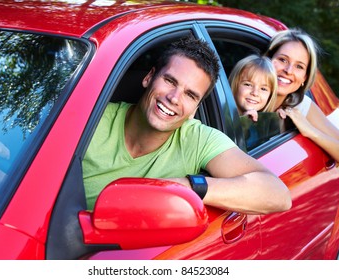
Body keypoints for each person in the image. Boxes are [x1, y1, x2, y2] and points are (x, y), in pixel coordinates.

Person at [83, 37, 291, 214]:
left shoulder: (197, 139)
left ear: (196, 106)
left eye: (190, 95)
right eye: (170, 81)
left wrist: (184, 186)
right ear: (148, 77)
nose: (174, 98)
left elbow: (277, 194)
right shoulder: (90, 120)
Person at [265, 29, 339, 169]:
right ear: (266, 59)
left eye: (299, 66)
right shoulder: (244, 93)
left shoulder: (299, 107)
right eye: (282, 60)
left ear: (304, 78)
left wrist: (311, 131)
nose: (288, 70)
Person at [229, 54, 278, 122]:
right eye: (248, 84)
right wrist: (242, 123)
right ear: (235, 84)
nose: (255, 93)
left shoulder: (264, 124)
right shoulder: (221, 115)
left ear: (270, 95)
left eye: (263, 89)